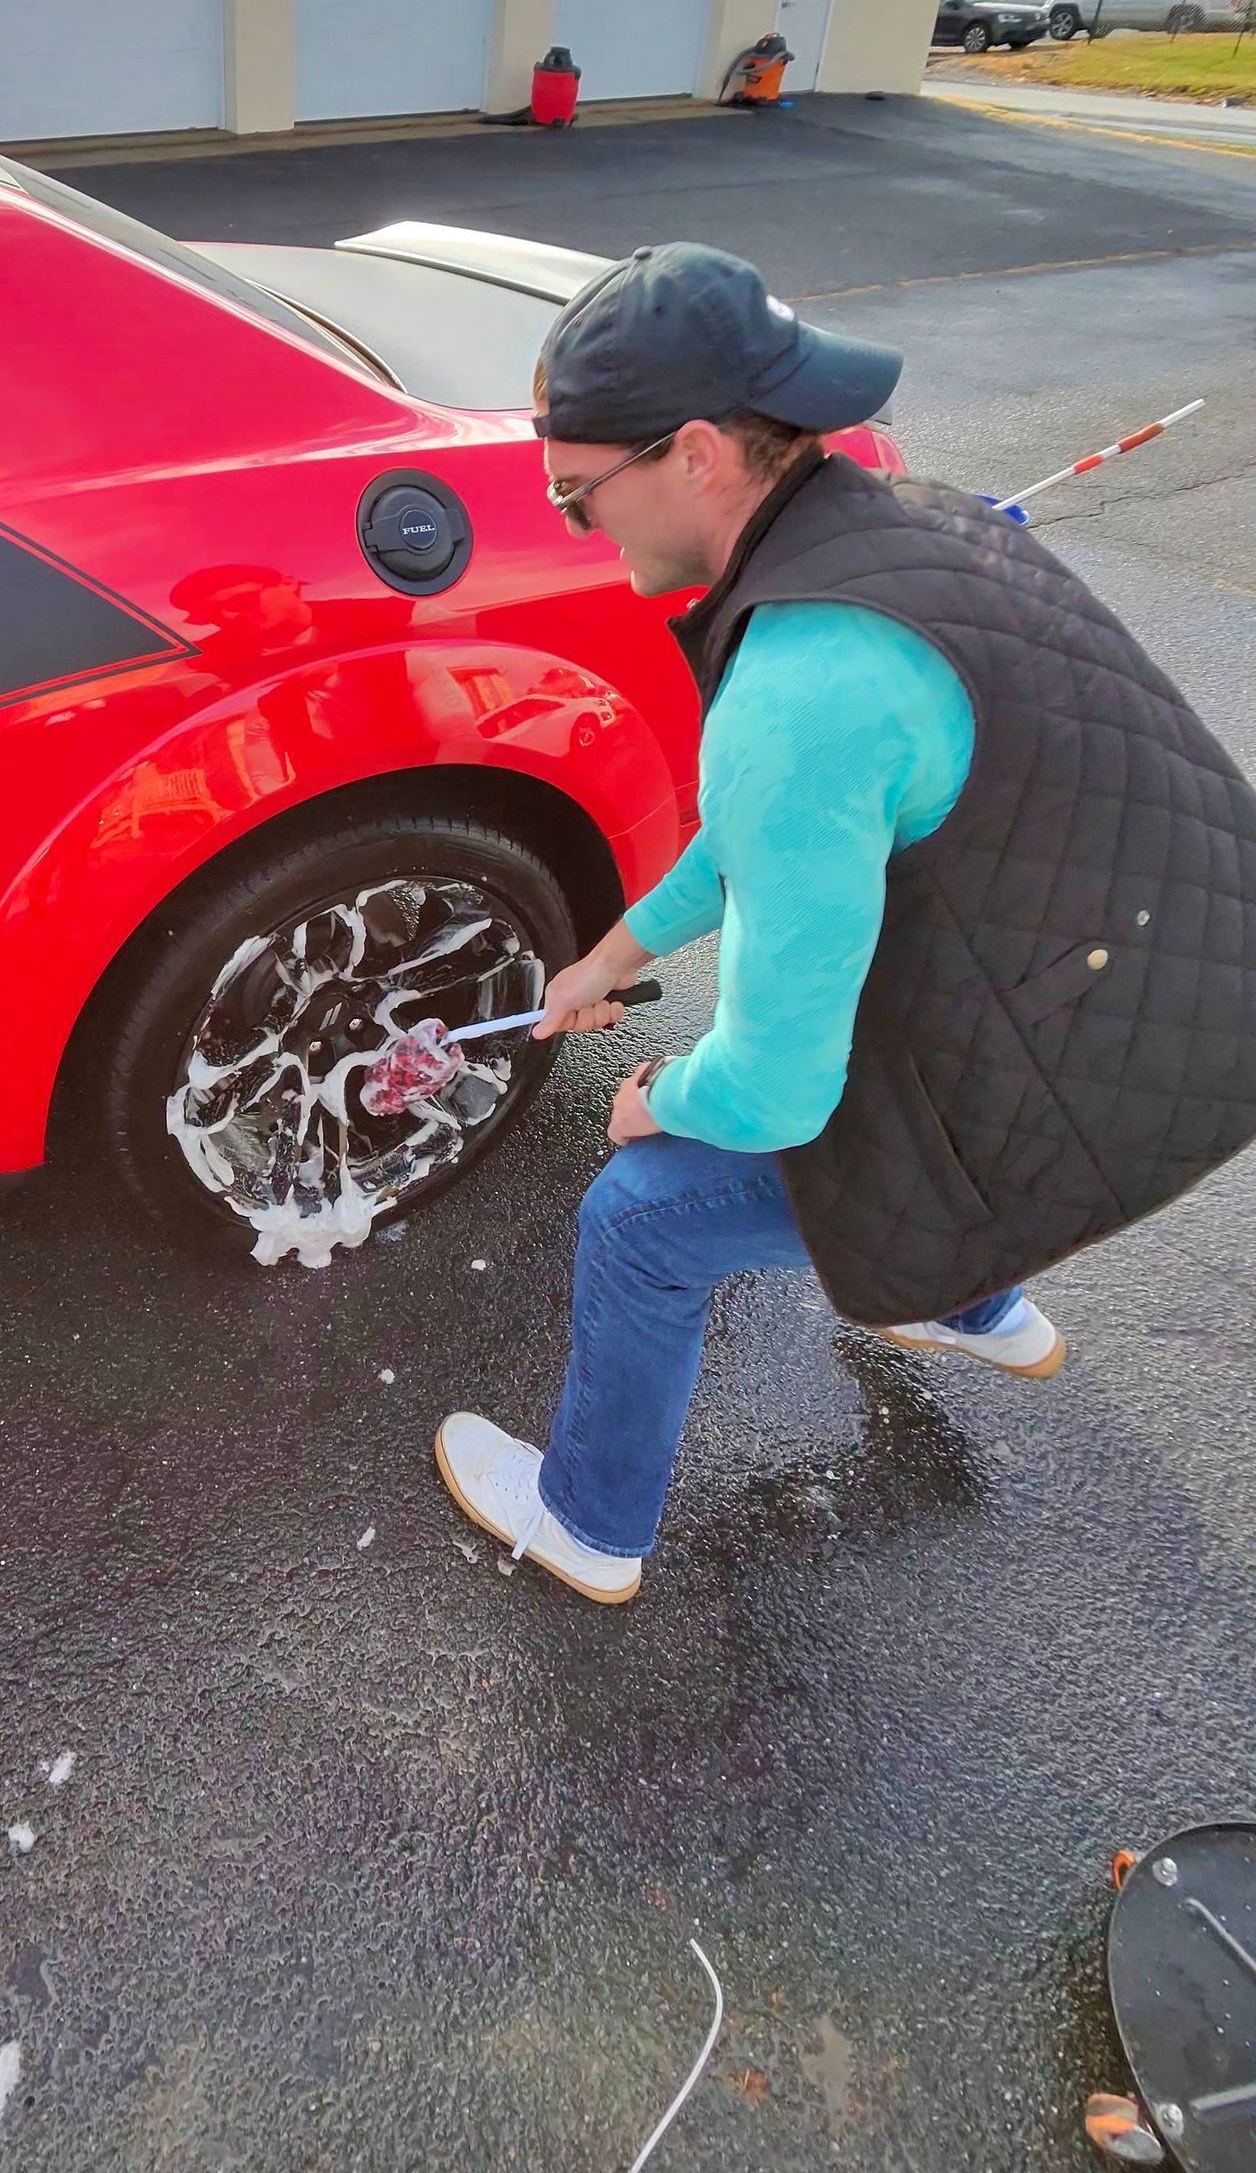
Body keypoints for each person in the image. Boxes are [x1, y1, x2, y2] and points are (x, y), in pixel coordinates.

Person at [435, 242, 1256, 1605]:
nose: (584, 525)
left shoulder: (801, 687)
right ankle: (973, 1301)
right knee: (885, 1034)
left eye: (581, 494)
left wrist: (655, 1098)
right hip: (1160, 986)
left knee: (643, 1214)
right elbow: (769, 834)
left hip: (1107, 1076)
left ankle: (586, 1522)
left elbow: (773, 1086)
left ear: (695, 452)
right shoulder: (916, 524)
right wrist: (612, 955)